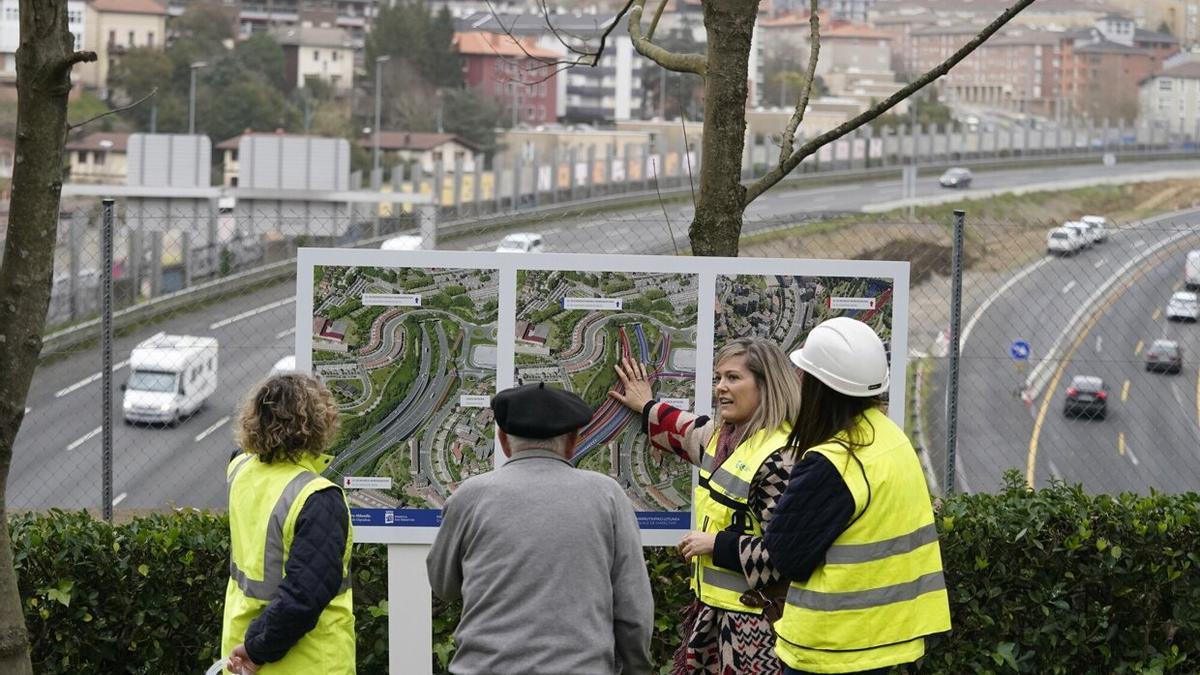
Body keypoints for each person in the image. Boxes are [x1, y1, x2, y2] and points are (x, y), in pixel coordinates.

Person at [764, 317, 951, 674]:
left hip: (834, 650)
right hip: (894, 641)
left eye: (804, 375)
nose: (798, 382)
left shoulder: (833, 462)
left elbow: (785, 556)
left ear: (819, 387)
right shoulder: (890, 438)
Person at [426, 383, 654, 675]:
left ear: (503, 441)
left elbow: (444, 586)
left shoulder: (470, 496)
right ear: (573, 442)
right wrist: (636, 668)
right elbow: (633, 608)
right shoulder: (607, 495)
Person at [609, 337, 803, 675]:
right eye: (718, 378)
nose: (720, 389)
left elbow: (789, 554)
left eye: (733, 378)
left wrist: (717, 545)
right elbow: (687, 431)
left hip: (758, 632)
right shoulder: (726, 438)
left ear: (766, 385)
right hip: (720, 619)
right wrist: (646, 406)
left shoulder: (780, 458)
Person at [221, 374, 355, 675]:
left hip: (238, 653)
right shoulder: (317, 497)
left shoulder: (240, 470)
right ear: (320, 424)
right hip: (307, 662)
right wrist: (258, 650)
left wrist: (251, 650)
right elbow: (304, 596)